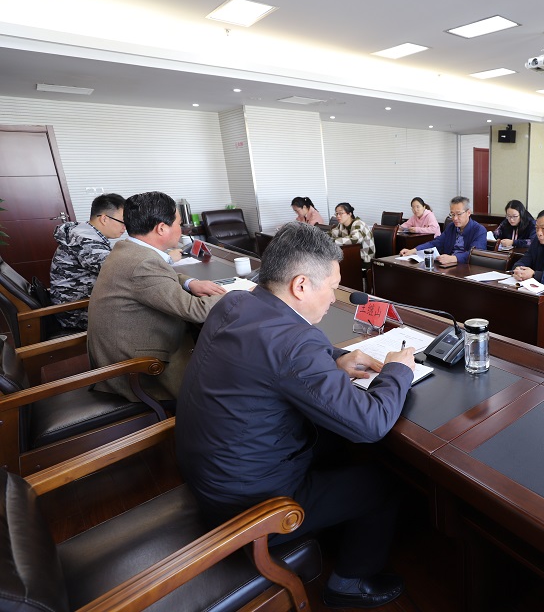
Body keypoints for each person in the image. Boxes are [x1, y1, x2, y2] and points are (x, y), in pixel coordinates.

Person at [175, 223, 415, 609]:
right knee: (382, 480)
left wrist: (336, 359)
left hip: (210, 474)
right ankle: (348, 585)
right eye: (332, 287)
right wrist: (398, 370)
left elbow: (271, 355)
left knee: (333, 439)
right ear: (301, 285)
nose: (333, 298)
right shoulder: (295, 342)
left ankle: (334, 526)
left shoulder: (234, 304)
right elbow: (370, 424)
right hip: (252, 505)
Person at [87, 191, 226, 401]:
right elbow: (196, 311)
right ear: (161, 228)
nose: (182, 229)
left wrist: (190, 282)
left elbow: (156, 276)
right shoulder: (144, 262)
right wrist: (237, 294)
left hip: (123, 351)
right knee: (228, 376)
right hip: (138, 371)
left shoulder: (128, 249)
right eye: (179, 224)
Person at [49, 193, 126, 329]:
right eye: (123, 222)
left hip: (81, 302)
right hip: (77, 312)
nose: (125, 228)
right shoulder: (85, 241)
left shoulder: (83, 233)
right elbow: (120, 268)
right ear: (104, 219)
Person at [399, 196, 486, 265]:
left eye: (459, 214)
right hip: (448, 265)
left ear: (468, 213)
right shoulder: (451, 227)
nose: (455, 218)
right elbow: (436, 243)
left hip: (466, 267)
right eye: (452, 214)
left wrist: (453, 258)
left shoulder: (479, 230)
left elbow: (475, 254)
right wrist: (413, 250)